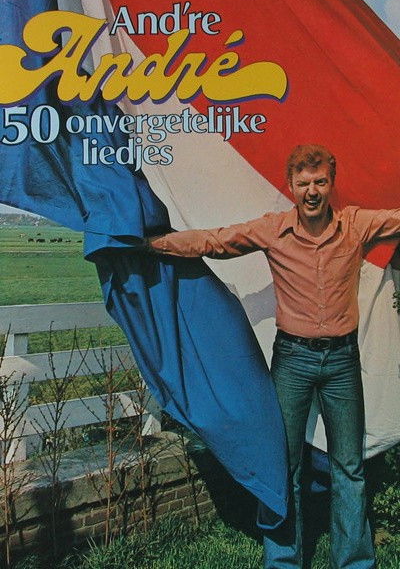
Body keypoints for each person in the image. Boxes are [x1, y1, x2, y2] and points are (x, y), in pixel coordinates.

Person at [146, 144, 400, 568]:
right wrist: (155, 245)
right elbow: (215, 240)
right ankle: (283, 561)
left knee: (349, 467)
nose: (312, 191)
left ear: (331, 184)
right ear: (291, 186)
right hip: (293, 362)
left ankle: (355, 562)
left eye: (320, 182)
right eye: (304, 184)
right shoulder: (272, 230)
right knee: (284, 466)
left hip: (341, 362)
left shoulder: (356, 224)